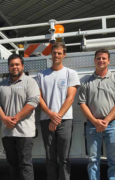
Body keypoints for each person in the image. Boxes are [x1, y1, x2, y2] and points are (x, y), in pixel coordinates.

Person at [36, 42, 80, 180]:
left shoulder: (71, 74)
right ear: (51, 54)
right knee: (50, 158)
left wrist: (57, 117)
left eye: (59, 53)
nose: (56, 55)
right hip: (46, 120)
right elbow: (38, 97)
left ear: (64, 55)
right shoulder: (41, 75)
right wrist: (50, 114)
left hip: (65, 120)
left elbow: (71, 98)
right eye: (54, 53)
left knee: (64, 158)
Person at [0, 54, 40, 180]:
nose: (14, 67)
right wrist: (4, 118)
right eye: (11, 65)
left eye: (17, 64)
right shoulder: (2, 84)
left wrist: (16, 118)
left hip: (24, 133)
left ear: (22, 66)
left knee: (25, 165)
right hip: (8, 133)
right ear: (8, 67)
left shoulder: (30, 82)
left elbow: (32, 102)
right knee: (12, 165)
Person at [78, 49, 115, 180]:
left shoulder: (114, 79)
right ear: (94, 60)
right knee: (93, 160)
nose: (101, 61)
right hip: (92, 126)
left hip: (112, 125)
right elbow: (82, 104)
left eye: (104, 58)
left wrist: (106, 120)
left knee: (113, 160)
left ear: (109, 61)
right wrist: (95, 121)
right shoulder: (86, 82)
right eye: (98, 58)